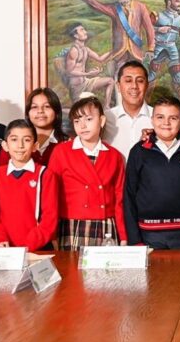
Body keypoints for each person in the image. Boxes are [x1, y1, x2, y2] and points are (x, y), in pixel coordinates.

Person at [123, 96, 180, 249]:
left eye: (173, 118)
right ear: (152, 120)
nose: (166, 123)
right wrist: (134, 239)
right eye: (160, 117)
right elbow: (129, 195)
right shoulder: (139, 151)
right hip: (149, 234)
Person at [48, 96, 127, 248]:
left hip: (106, 225)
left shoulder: (114, 156)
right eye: (77, 121)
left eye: (89, 119)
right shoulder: (61, 152)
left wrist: (123, 234)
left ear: (102, 121)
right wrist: (52, 232)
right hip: (71, 224)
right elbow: (51, 196)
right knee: (71, 265)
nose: (82, 126)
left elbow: (120, 199)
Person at [0, 120, 58, 251]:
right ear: (5, 145)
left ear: (35, 146)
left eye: (26, 140)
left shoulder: (45, 174)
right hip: (5, 249)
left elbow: (50, 218)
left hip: (37, 248)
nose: (20, 145)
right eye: (14, 139)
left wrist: (27, 245)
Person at [68, 0, 156, 73]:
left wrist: (151, 48)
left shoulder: (140, 7)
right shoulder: (114, 9)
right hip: (120, 54)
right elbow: (95, 4)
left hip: (136, 54)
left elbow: (149, 29)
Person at [104, 61, 153, 160]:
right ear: (118, 86)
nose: (134, 86)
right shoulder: (105, 119)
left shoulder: (160, 119)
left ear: (147, 86)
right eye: (128, 81)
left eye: (140, 81)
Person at [148, 0, 180, 104]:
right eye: (177, 1)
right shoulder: (157, 15)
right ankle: (146, 100)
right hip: (158, 45)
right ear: (169, 2)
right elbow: (146, 28)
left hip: (172, 46)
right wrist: (158, 29)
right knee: (152, 71)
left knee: (176, 72)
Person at [60, 23, 114, 107]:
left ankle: (106, 107)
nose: (85, 32)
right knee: (81, 109)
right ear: (75, 35)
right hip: (77, 88)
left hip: (86, 83)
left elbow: (100, 58)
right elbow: (69, 72)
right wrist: (88, 74)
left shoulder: (86, 49)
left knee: (110, 81)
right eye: (82, 30)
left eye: (84, 29)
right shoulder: (74, 51)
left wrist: (113, 50)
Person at [25, 87, 68, 165]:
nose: (40, 111)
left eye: (47, 106)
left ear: (56, 112)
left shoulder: (68, 144)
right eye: (34, 107)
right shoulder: (19, 143)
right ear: (28, 113)